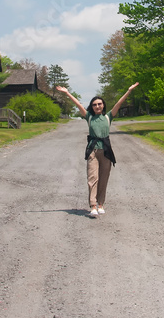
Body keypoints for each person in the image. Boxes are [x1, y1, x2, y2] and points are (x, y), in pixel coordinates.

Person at [56, 83, 139, 218]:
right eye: (94, 105)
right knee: (92, 178)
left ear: (103, 105)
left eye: (99, 104)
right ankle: (93, 205)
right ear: (92, 107)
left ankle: (101, 204)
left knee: (104, 178)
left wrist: (129, 91)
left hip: (106, 151)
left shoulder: (108, 116)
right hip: (93, 151)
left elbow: (118, 103)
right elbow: (78, 105)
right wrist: (67, 93)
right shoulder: (89, 117)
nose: (97, 106)